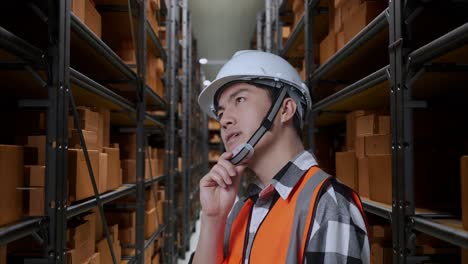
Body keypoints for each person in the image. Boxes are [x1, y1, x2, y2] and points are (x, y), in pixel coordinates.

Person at [192, 50, 370, 264]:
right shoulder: (243, 207)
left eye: (239, 99)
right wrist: (213, 219)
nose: (224, 120)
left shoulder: (328, 204)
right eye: (220, 113)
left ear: (285, 109)